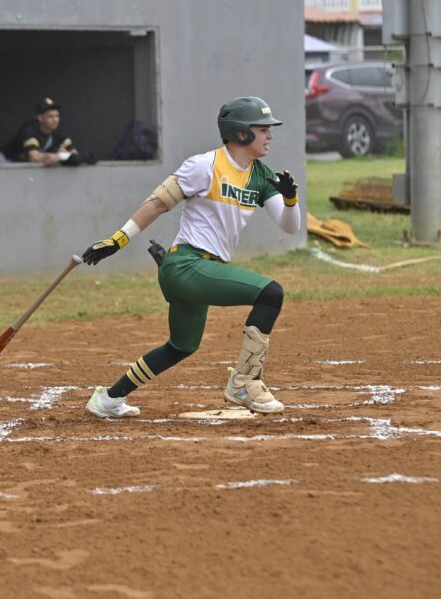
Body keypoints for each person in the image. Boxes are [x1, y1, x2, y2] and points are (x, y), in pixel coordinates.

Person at [80, 96, 301, 418]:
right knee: (271, 293)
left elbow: (289, 226)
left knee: (182, 346)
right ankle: (244, 382)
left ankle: (108, 399)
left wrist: (291, 198)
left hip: (203, 269)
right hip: (186, 265)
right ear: (241, 133)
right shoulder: (205, 165)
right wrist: (118, 239)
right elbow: (157, 203)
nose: (270, 135)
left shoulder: (260, 174)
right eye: (263, 129)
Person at [6, 97, 83, 166]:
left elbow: (74, 154)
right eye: (50, 116)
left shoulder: (58, 132)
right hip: (5, 162)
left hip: (23, 169)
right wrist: (57, 156)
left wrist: (64, 155)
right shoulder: (30, 130)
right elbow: (34, 156)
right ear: (40, 118)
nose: (55, 120)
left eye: (57, 116)